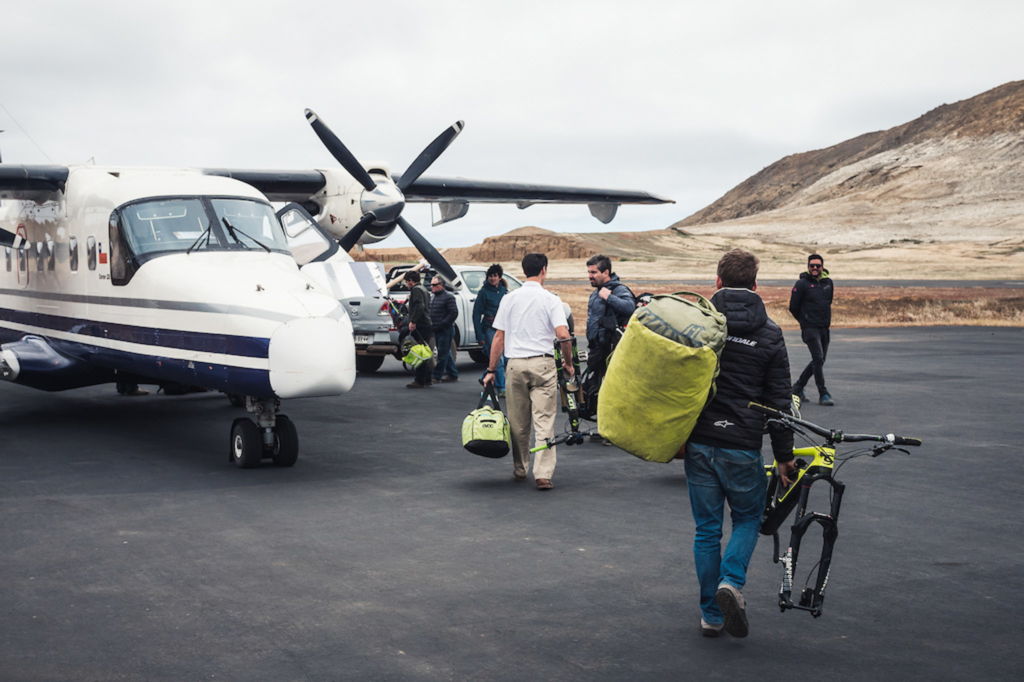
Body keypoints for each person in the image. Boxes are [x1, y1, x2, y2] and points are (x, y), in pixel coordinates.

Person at [682, 248, 797, 639]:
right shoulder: (769, 334)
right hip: (743, 444)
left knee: (707, 529)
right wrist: (784, 457)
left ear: (717, 282)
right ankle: (731, 581)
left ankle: (711, 615)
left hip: (699, 441)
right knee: (748, 518)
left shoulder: (698, 325)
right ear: (755, 285)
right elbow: (780, 402)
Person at [483, 253, 573, 490]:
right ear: (544, 270)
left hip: (515, 365)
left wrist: (492, 370)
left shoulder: (509, 299)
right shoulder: (550, 299)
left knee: (518, 422)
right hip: (543, 365)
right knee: (543, 421)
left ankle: (520, 469)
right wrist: (569, 363)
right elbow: (563, 335)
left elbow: (499, 338)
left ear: (524, 272)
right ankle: (542, 473)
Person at [788, 254, 835, 406]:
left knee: (819, 360)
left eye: (818, 266)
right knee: (818, 358)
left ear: (822, 267)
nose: (815, 268)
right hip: (809, 328)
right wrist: (804, 321)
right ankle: (823, 393)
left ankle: (798, 387)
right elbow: (793, 306)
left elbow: (828, 302)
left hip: (824, 327)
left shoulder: (828, 283)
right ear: (808, 267)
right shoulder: (801, 284)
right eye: (812, 265)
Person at [585, 254, 636, 376]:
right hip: (596, 351)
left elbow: (630, 307)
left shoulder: (619, 290)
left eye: (593, 272)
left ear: (606, 273)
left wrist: (609, 297)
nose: (590, 276)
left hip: (612, 352)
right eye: (588, 272)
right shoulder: (595, 294)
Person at [472, 264, 508, 396]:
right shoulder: (483, 292)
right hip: (489, 328)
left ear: (499, 277)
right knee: (498, 358)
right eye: (490, 276)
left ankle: (484, 377)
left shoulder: (504, 291)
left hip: (503, 328)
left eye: (495, 276)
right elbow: (476, 314)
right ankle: (501, 387)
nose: (493, 278)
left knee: (507, 358)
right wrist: (479, 336)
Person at [404, 269, 435, 388]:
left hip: (421, 325)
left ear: (411, 281)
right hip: (427, 324)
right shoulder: (424, 289)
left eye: (406, 282)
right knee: (425, 351)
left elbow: (419, 306)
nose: (406, 285)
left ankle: (419, 379)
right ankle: (427, 378)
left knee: (419, 352)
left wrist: (413, 321)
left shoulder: (416, 290)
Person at [430, 276, 459, 383]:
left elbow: (453, 313)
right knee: (445, 352)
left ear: (441, 285)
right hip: (436, 329)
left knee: (442, 354)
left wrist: (443, 324)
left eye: (434, 285)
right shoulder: (433, 297)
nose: (431, 287)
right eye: (431, 284)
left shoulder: (448, 297)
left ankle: (436, 376)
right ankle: (453, 373)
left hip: (445, 330)